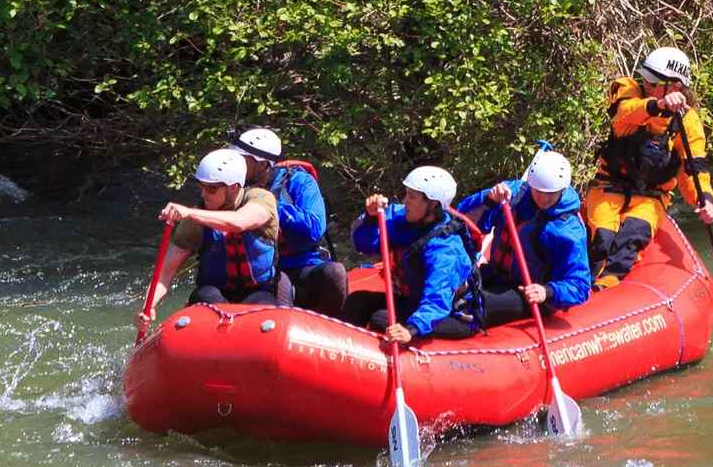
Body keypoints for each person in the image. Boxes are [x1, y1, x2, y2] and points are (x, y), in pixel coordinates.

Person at [582, 45, 713, 285]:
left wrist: (704, 199)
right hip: (607, 187)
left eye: (653, 83)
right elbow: (624, 113)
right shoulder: (627, 90)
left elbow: (693, 168)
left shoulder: (688, 119)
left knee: (632, 236)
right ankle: (584, 285)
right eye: (646, 80)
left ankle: (608, 286)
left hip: (650, 196)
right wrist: (659, 104)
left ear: (676, 86)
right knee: (603, 237)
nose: (646, 86)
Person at [137, 149, 282, 336]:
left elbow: (240, 222)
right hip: (214, 296)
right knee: (205, 297)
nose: (204, 194)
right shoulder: (194, 222)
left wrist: (190, 213)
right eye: (201, 186)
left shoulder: (261, 199)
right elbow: (165, 273)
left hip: (259, 293)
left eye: (212, 188)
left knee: (262, 304)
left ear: (233, 187)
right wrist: (148, 306)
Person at [457, 145, 591, 322]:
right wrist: (488, 200)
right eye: (538, 191)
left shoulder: (568, 229)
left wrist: (548, 292)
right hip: (493, 275)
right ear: (530, 185)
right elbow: (463, 222)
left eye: (550, 194)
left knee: (473, 304)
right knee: (446, 285)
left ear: (563, 190)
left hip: (530, 294)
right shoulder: (512, 193)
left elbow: (580, 286)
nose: (543, 199)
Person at [349, 165, 479, 346]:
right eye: (406, 194)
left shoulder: (446, 250)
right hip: (413, 302)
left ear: (432, 204)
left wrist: (412, 329)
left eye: (411, 196)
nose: (404, 201)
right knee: (356, 301)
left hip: (451, 315)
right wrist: (371, 218)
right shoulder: (406, 218)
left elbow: (437, 300)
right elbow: (365, 245)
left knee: (381, 319)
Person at [231, 126, 348, 318]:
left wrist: (271, 206)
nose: (236, 166)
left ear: (262, 164)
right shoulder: (232, 189)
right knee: (279, 282)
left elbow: (315, 227)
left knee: (335, 272)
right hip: (265, 274)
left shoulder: (299, 181)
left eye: (243, 160)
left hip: (301, 266)